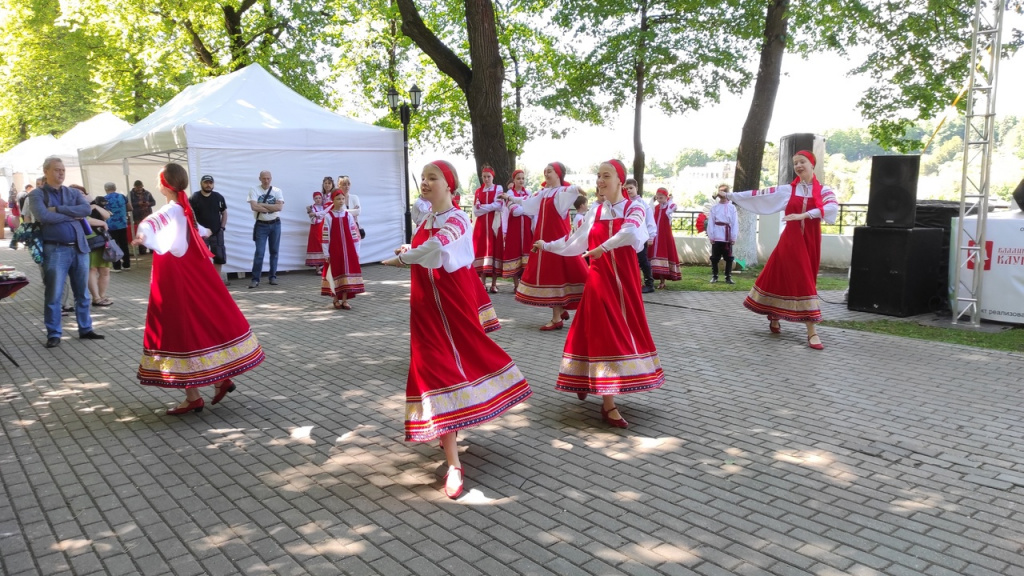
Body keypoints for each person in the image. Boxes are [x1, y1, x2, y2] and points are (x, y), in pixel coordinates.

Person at [381, 160, 531, 499]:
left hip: (451, 310)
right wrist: (409, 249)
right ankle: (452, 453)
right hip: (423, 311)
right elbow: (424, 246)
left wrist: (402, 259)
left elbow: (437, 249)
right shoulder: (427, 219)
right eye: (423, 178)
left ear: (450, 186)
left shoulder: (458, 219)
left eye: (433, 178)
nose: (425, 182)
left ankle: (454, 462)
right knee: (431, 371)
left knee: (453, 366)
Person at [534, 159, 664, 428]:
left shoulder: (635, 206)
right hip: (599, 280)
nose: (601, 181)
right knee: (604, 333)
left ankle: (584, 378)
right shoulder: (594, 211)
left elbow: (630, 232)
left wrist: (603, 248)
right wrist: (546, 245)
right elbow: (574, 240)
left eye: (607, 176)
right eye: (599, 176)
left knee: (608, 331)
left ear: (620, 180)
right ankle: (608, 403)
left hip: (625, 282)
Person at [132, 162, 265, 415]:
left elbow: (152, 222)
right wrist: (205, 231)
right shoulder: (185, 209)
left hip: (175, 279)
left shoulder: (172, 209)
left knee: (180, 329)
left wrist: (142, 234)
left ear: (164, 184)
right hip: (192, 274)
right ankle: (218, 379)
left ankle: (194, 396)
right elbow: (200, 230)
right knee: (199, 323)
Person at [725, 150, 838, 350]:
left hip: (811, 241)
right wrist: (731, 195)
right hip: (791, 241)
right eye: (795, 163)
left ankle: (775, 314)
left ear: (812, 164)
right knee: (799, 279)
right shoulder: (787, 190)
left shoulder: (823, 190)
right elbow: (759, 195)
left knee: (801, 277)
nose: (798, 166)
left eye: (802, 162)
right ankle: (812, 331)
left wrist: (802, 216)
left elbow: (831, 208)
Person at [26, 157, 105, 348]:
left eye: (62, 170)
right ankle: (54, 333)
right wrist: (72, 215)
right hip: (55, 250)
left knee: (83, 294)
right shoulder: (37, 195)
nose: (61, 173)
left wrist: (59, 210)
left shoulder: (72, 192)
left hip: (79, 248)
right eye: (56, 170)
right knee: (54, 294)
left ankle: (85, 329)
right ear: (46, 171)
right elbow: (43, 216)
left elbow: (86, 209)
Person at [510, 162, 589, 330]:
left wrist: (577, 188)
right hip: (543, 238)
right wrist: (510, 198)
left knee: (556, 275)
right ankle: (559, 311)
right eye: (545, 171)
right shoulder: (545, 192)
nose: (546, 173)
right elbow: (529, 201)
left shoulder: (561, 192)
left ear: (558, 174)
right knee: (553, 275)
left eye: (550, 171)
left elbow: (570, 191)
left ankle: (556, 317)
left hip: (556, 239)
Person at [321, 189, 364, 310]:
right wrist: (326, 252)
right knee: (335, 272)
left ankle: (345, 300)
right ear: (333, 200)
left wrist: (356, 251)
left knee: (346, 273)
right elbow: (325, 236)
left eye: (342, 199)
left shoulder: (348, 215)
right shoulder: (328, 217)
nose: (340, 201)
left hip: (348, 250)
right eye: (338, 199)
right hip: (335, 250)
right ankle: (335, 299)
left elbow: (354, 234)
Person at [247, 170, 284, 288]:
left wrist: (261, 205)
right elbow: (254, 206)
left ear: (271, 178)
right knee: (259, 252)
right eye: (264, 178)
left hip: (275, 224)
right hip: (261, 225)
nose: (266, 180)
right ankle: (255, 278)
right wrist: (272, 208)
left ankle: (273, 277)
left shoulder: (277, 191)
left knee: (274, 252)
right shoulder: (254, 189)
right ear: (260, 179)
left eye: (268, 178)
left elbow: (279, 207)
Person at [189, 175, 229, 283]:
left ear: (213, 184)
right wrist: (196, 230)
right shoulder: (194, 197)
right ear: (201, 183)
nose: (208, 185)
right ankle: (203, 281)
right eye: (206, 182)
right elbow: (190, 215)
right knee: (201, 257)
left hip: (217, 232)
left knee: (219, 256)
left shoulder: (218, 197)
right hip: (201, 234)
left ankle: (217, 280)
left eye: (210, 183)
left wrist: (222, 228)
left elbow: (224, 212)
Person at [472, 164, 504, 292]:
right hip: (481, 227)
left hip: (493, 225)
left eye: (488, 176)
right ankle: (482, 282)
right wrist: (490, 206)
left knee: (494, 251)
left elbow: (500, 206)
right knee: (481, 251)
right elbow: (476, 211)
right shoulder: (478, 191)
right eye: (484, 177)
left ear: (493, 176)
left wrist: (484, 207)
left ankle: (494, 284)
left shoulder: (498, 188)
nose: (486, 179)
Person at [80, 189, 113, 307]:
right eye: (78, 193)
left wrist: (95, 206)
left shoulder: (93, 205)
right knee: (92, 269)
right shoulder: (74, 207)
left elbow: (107, 215)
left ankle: (102, 295)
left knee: (105, 270)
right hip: (87, 241)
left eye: (83, 193)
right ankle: (96, 297)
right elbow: (85, 220)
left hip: (102, 241)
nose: (82, 195)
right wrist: (102, 223)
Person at [500, 169, 533, 290]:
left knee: (526, 253)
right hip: (514, 228)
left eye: (523, 178)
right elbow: (514, 212)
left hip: (527, 228)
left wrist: (525, 209)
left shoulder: (528, 192)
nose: (521, 181)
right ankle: (516, 284)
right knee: (515, 252)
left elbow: (533, 210)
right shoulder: (509, 193)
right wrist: (526, 208)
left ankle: (524, 283)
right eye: (518, 178)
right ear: (514, 180)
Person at [624, 179, 656, 294]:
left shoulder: (643, 204)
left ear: (636, 188)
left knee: (643, 260)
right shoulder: (624, 203)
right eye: (626, 188)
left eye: (631, 188)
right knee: (629, 261)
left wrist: (651, 236)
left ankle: (649, 283)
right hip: (628, 237)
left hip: (640, 237)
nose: (629, 190)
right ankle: (633, 283)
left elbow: (650, 221)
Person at [648, 187, 682, 288]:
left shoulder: (668, 207)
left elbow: (674, 207)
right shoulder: (656, 208)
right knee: (653, 257)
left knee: (664, 255)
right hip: (655, 236)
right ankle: (652, 279)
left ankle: (663, 281)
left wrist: (669, 200)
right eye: (657, 197)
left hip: (664, 236)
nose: (659, 199)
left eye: (661, 197)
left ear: (666, 197)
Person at [708, 183, 738, 284]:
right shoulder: (714, 208)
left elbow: (734, 223)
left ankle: (728, 277)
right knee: (715, 258)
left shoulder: (732, 208)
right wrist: (711, 236)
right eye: (720, 192)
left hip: (727, 236)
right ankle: (715, 276)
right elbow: (711, 223)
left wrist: (733, 237)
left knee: (729, 258)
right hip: (717, 235)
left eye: (724, 192)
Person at [103, 182, 131, 271]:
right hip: (122, 223)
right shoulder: (122, 197)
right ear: (115, 188)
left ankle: (117, 266)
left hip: (111, 225)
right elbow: (130, 208)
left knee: (114, 245)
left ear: (106, 189)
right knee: (124, 244)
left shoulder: (104, 199)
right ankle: (127, 265)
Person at [305, 181, 331, 273]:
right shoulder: (312, 207)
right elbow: (313, 219)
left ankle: (323, 266)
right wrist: (318, 216)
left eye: (319, 198)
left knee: (323, 245)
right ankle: (317, 267)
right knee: (316, 246)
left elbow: (324, 215)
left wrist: (318, 215)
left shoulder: (323, 207)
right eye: (316, 198)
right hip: (315, 229)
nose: (318, 199)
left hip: (322, 228)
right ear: (313, 199)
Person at [129, 180, 155, 254]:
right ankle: (142, 250)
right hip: (137, 216)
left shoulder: (147, 193)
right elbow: (129, 204)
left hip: (148, 215)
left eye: (140, 187)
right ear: (134, 187)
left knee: (150, 231)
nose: (139, 189)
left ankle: (151, 249)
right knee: (140, 233)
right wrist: (138, 203)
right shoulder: (131, 194)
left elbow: (154, 202)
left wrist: (148, 203)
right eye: (138, 188)